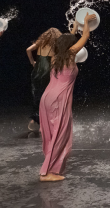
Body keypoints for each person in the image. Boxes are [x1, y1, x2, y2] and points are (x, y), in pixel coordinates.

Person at [38, 13, 96, 182]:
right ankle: (47, 173)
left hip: (47, 98)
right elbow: (85, 36)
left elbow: (68, 40)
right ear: (70, 46)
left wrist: (75, 26)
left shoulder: (56, 57)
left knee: (53, 135)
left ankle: (50, 169)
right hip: (59, 100)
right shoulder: (70, 54)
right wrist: (86, 22)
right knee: (59, 135)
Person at [26, 28, 62, 131]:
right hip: (47, 74)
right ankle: (46, 123)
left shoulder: (40, 43)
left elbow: (28, 50)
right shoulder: (54, 47)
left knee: (37, 96)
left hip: (36, 73)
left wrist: (32, 62)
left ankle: (35, 120)